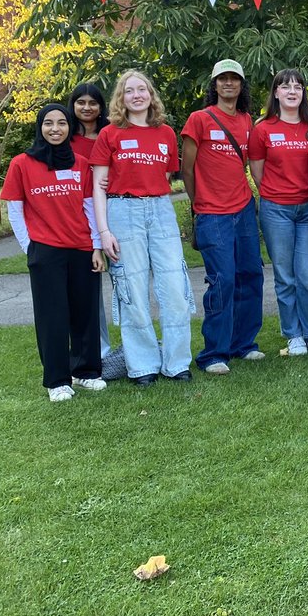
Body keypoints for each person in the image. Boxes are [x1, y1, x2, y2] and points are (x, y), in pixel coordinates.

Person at [91, 70, 195, 385]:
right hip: (123, 210)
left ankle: (177, 363)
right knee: (132, 289)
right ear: (121, 98)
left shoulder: (165, 133)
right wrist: (104, 231)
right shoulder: (109, 134)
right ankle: (143, 366)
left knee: (174, 286)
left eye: (142, 89)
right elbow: (98, 186)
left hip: (160, 209)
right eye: (129, 91)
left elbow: (166, 177)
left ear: (151, 95)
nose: (137, 95)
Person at [1, 103, 106, 401]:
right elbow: (15, 211)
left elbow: (90, 208)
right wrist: (30, 247)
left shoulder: (81, 163)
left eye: (62, 123)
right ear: (40, 127)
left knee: (85, 314)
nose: (55, 129)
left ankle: (86, 372)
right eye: (49, 123)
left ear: (69, 127)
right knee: (52, 316)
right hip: (46, 251)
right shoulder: (21, 163)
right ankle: (57, 380)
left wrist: (97, 246)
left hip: (82, 248)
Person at [181, 59, 265, 376]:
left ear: (241, 85)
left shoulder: (246, 121)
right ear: (214, 85)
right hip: (212, 212)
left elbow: (244, 163)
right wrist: (198, 201)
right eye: (222, 79)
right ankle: (213, 353)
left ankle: (244, 344)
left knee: (250, 274)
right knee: (223, 280)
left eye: (234, 79)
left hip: (243, 208)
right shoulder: (199, 120)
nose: (228, 84)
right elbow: (186, 169)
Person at [249, 70, 308, 357]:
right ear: (276, 93)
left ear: (304, 93)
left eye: (297, 86)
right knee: (284, 275)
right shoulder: (263, 129)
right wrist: (276, 193)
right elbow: (257, 171)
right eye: (285, 86)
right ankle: (293, 335)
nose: (292, 90)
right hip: (276, 210)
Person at [67, 82, 118, 371]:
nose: (87, 107)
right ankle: (97, 348)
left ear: (102, 106)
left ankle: (134, 344)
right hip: (79, 218)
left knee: (124, 280)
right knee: (88, 290)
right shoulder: (65, 138)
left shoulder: (111, 134)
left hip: (116, 211)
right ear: (73, 105)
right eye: (81, 102)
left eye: (93, 102)